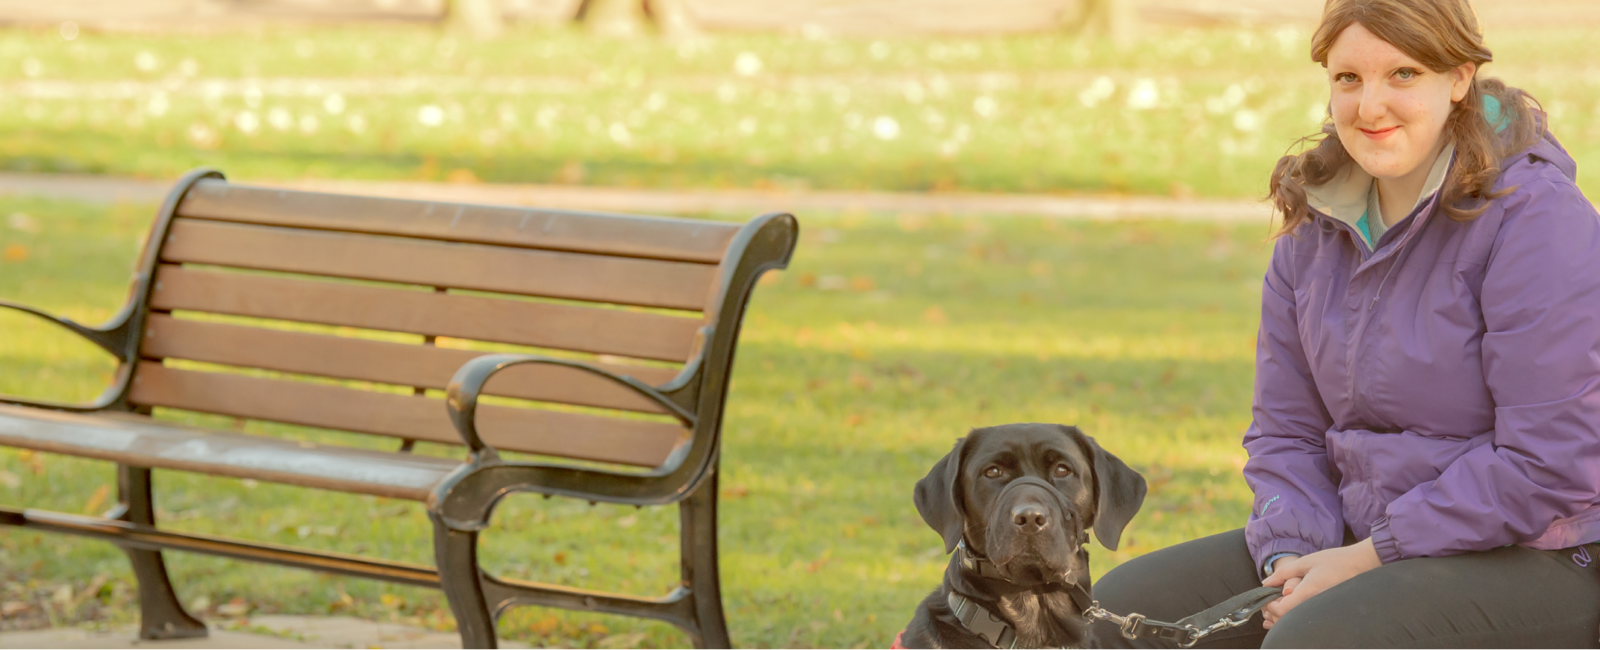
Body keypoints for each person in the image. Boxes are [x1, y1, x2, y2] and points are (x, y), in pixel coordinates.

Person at [1086, 0, 1600, 647]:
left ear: (1461, 78)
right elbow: (1287, 433)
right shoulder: (1314, 224)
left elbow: (1547, 462)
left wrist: (1366, 559)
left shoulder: (1535, 219)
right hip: (1361, 530)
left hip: (1540, 549)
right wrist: (1288, 559)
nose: (1370, 106)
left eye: (1404, 74)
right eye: (1348, 79)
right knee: (1120, 612)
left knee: (1316, 639)